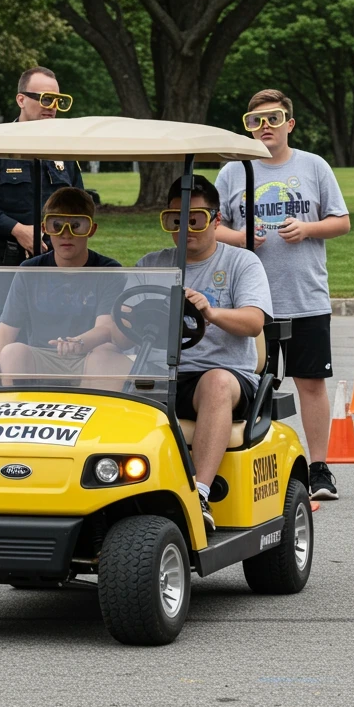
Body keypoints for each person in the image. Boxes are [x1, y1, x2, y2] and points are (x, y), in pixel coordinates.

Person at [96, 175, 273, 532]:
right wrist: (125, 322)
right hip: (160, 374)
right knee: (102, 358)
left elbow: (254, 322)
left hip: (224, 375)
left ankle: (200, 493)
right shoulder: (151, 265)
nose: (184, 228)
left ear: (216, 220)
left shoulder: (241, 262)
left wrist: (210, 313)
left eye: (195, 220)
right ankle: (100, 484)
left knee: (216, 382)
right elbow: (121, 338)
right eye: (176, 220)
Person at [215, 89, 350, 500]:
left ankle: (320, 469)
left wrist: (307, 229)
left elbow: (341, 221)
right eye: (255, 121)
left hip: (305, 294)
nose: (265, 128)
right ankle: (258, 467)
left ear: (290, 123)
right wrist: (240, 238)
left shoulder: (314, 166)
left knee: (310, 382)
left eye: (274, 119)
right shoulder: (233, 173)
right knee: (254, 384)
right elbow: (209, 228)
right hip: (250, 300)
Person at [0, 65, 84, 355]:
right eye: (44, 99)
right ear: (21, 100)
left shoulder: (65, 151)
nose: (52, 107)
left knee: (53, 344)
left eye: (58, 100)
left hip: (56, 267)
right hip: (6, 265)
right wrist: (17, 230)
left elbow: (80, 205)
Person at [0, 188, 123, 382]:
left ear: (91, 229)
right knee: (11, 352)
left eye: (76, 225)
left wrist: (78, 342)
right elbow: (5, 331)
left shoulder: (109, 271)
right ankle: (13, 408)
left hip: (89, 357)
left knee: (105, 356)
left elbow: (106, 327)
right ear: (44, 228)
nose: (66, 234)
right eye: (56, 225)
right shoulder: (30, 270)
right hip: (43, 358)